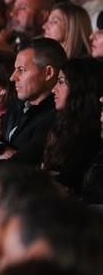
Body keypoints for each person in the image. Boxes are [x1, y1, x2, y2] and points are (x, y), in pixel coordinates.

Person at [0, 38, 66, 164]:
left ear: (48, 73)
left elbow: (17, 166)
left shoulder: (55, 117)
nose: (13, 78)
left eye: (21, 70)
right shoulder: (19, 107)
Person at [43, 57, 103, 193]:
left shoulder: (93, 133)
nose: (54, 89)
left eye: (61, 82)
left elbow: (68, 182)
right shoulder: (63, 124)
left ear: (80, 87)